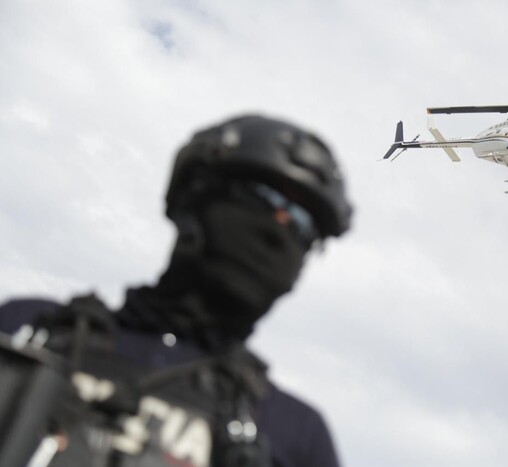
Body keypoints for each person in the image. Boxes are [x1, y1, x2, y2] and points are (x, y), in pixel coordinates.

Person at [0, 114, 352, 467]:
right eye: (261, 198)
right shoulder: (29, 331)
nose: (279, 231)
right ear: (194, 197)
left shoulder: (297, 436)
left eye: (303, 228)